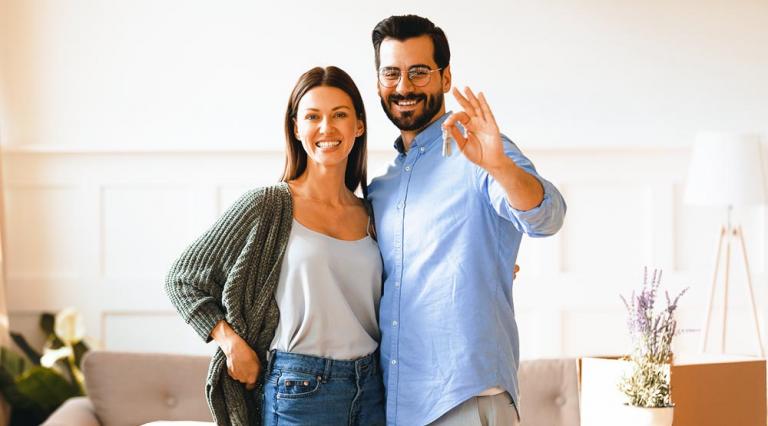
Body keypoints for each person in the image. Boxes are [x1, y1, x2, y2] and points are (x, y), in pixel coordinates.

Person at [367, 15, 567, 426]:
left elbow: (546, 218)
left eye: (419, 72)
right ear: (378, 82)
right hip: (399, 406)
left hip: (466, 401)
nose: (404, 87)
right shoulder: (380, 189)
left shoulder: (478, 152)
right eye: (392, 73)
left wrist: (498, 166)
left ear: (445, 78)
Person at [165, 66, 385, 426]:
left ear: (358, 126)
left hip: (373, 387)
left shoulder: (374, 214)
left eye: (339, 115)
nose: (326, 128)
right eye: (313, 116)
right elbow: (182, 278)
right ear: (297, 128)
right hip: (300, 388)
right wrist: (230, 342)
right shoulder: (268, 205)